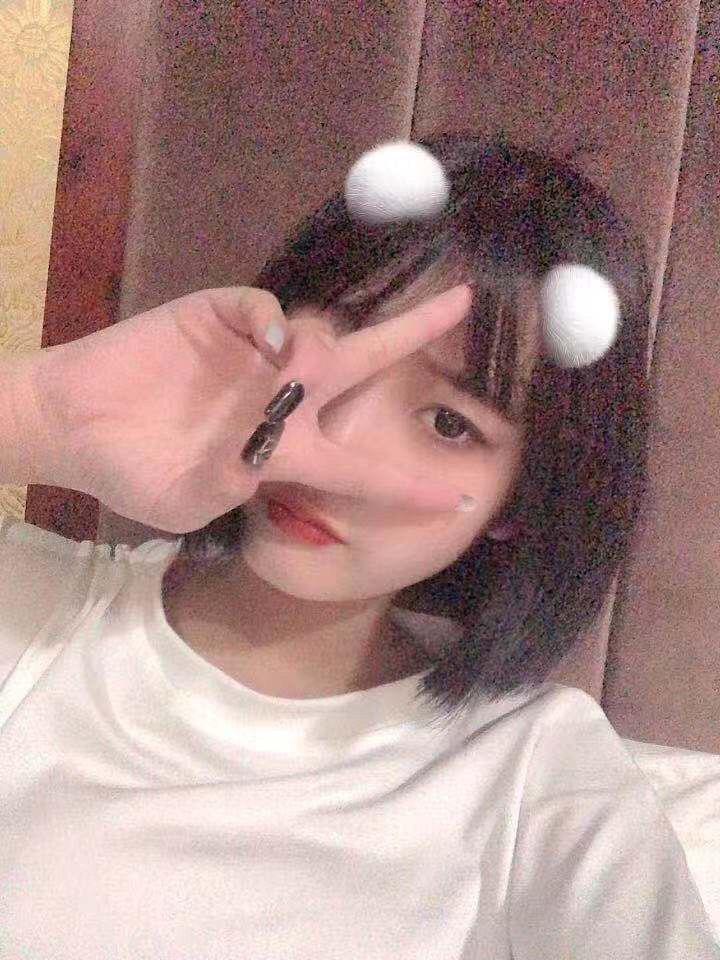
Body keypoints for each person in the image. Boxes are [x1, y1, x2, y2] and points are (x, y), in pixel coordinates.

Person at [0, 135, 717, 958]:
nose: (328, 447)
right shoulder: (34, 612)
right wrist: (38, 413)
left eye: (449, 423)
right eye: (340, 356)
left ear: (518, 503)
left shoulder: (541, 775)